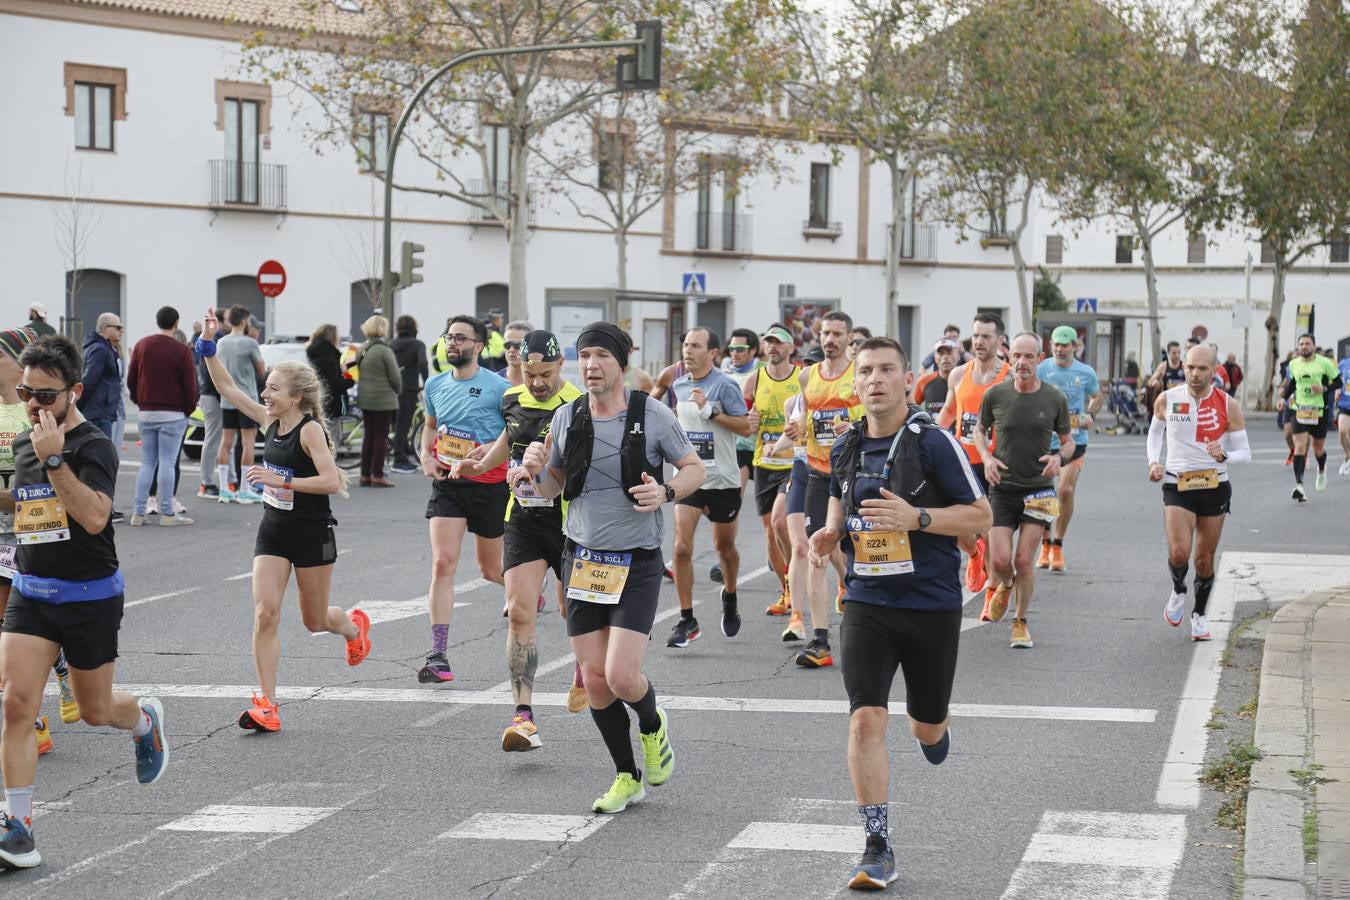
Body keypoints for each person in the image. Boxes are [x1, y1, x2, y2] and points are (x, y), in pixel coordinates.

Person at [807, 337, 991, 890]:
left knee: (925, 726)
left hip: (931, 606)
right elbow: (839, 500)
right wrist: (829, 532)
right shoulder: (844, 445)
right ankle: (877, 844)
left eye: (887, 369)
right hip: (867, 602)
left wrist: (918, 519)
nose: (876, 380)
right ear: (856, 383)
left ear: (907, 378)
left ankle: (935, 731)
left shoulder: (933, 443)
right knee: (866, 719)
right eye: (866, 371)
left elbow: (980, 516)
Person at [512, 321, 704, 813]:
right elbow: (552, 487)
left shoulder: (652, 414)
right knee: (594, 679)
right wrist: (530, 473)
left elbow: (694, 469)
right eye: (585, 356)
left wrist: (664, 492)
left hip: (637, 561)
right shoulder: (567, 416)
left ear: (621, 362)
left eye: (601, 355)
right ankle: (626, 776)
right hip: (582, 559)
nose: (591, 365)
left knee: (621, 676)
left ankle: (652, 722)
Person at [0, 335, 168, 871]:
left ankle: (143, 721)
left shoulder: (93, 444)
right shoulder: (25, 439)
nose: (33, 404)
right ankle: (20, 826)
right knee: (16, 705)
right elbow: (25, 503)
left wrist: (54, 458)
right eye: (26, 391)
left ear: (74, 391)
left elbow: (95, 516)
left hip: (90, 597)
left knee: (96, 712)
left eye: (45, 395)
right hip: (32, 593)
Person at [197, 310, 370, 732]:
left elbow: (331, 481)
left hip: (312, 533)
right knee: (266, 612)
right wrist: (207, 344)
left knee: (314, 621)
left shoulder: (310, 432)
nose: (265, 393)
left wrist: (282, 479)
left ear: (296, 397)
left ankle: (353, 628)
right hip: (274, 529)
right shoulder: (269, 419)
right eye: (267, 386)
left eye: (273, 388)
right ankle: (267, 703)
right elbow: (226, 387)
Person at [455, 330, 585, 748]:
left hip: (570, 522)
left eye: (545, 374)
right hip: (523, 520)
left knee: (572, 611)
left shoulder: (578, 406)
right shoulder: (511, 398)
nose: (537, 382)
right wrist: (480, 466)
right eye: (530, 374)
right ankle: (523, 715)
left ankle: (583, 669)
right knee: (519, 612)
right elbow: (508, 442)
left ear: (560, 366)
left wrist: (547, 470)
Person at [0, 328, 80, 760]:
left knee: (29, 623)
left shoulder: (39, 414)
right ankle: (32, 721)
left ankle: (64, 669)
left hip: (29, 530)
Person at [417, 315, 508, 683]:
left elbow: (512, 435)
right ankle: (439, 653)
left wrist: (488, 450)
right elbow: (430, 427)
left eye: (460, 338)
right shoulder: (435, 384)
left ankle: (526, 585)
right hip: (448, 483)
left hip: (489, 485)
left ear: (479, 347)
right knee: (443, 564)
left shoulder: (499, 388)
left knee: (490, 570)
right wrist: (425, 455)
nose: (451, 343)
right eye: (448, 337)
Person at [975, 332, 1074, 650]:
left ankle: (1020, 622)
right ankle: (1004, 585)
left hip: (1039, 491)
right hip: (1003, 488)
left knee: (1024, 561)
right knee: (1002, 560)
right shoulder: (995, 395)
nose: (1021, 362)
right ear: (1009, 357)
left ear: (1039, 358)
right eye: (1016, 356)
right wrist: (987, 458)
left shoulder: (1054, 398)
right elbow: (978, 431)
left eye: (1028, 356)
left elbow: (1069, 441)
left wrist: (1059, 457)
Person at [1151, 344, 1250, 640]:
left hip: (1214, 485)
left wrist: (1225, 456)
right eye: (1190, 367)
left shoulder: (1228, 404)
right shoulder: (1168, 399)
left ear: (1214, 370)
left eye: (1202, 368)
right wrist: (1154, 461)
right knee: (1179, 552)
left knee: (1203, 560)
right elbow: (1155, 432)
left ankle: (1200, 615)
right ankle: (1179, 589)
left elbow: (1245, 452)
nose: (1194, 374)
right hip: (1177, 483)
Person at [667, 327, 752, 647]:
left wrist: (711, 412)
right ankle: (687, 619)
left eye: (696, 346)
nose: (688, 351)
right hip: (692, 477)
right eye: (685, 345)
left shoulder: (725, 385)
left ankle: (729, 596)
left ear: (713, 353)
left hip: (724, 480)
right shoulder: (679, 384)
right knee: (680, 548)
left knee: (724, 549)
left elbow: (744, 426)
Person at [793, 310, 862, 667]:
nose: (829, 340)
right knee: (815, 552)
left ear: (850, 338)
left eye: (837, 334)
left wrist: (851, 429)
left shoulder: (859, 374)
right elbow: (807, 417)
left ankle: (866, 625)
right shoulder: (807, 377)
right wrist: (799, 431)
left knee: (859, 554)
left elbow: (875, 419)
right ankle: (819, 641)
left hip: (856, 474)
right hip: (819, 475)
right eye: (825, 334)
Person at [937, 312, 1009, 603]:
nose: (979, 341)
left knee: (990, 527)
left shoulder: (1009, 377)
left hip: (995, 462)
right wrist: (925, 435)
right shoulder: (958, 374)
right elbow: (950, 412)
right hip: (961, 460)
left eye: (986, 336)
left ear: (999, 340)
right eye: (976, 335)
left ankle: (992, 587)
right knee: (959, 527)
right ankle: (974, 555)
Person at [1034, 325, 1103, 572]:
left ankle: (1058, 545)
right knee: (1043, 495)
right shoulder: (1042, 369)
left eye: (1065, 345)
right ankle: (1044, 542)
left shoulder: (1085, 372)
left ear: (1075, 346)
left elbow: (1097, 395)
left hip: (1074, 440)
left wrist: (1090, 415)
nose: (1060, 349)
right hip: (1043, 441)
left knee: (1065, 490)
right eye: (1056, 344)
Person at [742, 324, 799, 617]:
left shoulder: (802, 378)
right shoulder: (754, 380)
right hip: (764, 463)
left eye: (779, 343)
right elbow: (743, 423)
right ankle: (786, 589)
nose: (773, 347)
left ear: (791, 348)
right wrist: (747, 424)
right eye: (769, 343)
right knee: (770, 535)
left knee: (779, 523)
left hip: (793, 464)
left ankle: (794, 579)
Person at [126, 306, 198, 527]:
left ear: (157, 322)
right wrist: (188, 408)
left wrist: (140, 401)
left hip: (147, 413)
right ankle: (167, 513)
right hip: (174, 414)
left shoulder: (141, 345)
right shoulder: (182, 350)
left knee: (147, 462)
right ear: (176, 324)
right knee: (167, 462)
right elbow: (190, 386)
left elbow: (131, 379)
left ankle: (138, 513)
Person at [1278, 334, 1342, 501]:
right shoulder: (1293, 364)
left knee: (1318, 450)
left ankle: (1321, 470)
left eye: (1307, 343)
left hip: (1319, 410)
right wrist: (1283, 399)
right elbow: (1293, 384)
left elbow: (1338, 382)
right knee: (1300, 446)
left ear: (1314, 346)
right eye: (1301, 344)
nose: (1304, 346)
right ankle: (1299, 485)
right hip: (1299, 409)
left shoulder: (1324, 363)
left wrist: (1324, 388)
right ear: (1298, 348)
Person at [215, 306, 265, 504]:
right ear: (244, 321)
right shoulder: (250, 343)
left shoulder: (221, 342)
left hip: (227, 398)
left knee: (226, 443)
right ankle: (244, 488)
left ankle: (224, 489)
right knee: (247, 444)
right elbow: (261, 370)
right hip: (247, 399)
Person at [349, 315, 402, 488]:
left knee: (369, 436)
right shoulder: (384, 350)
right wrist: (398, 390)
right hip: (383, 399)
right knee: (381, 435)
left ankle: (365, 474)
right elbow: (395, 377)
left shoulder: (362, 348)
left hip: (365, 398)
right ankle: (377, 474)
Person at [195, 309, 229, 498]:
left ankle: (212, 481)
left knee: (217, 439)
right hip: (212, 395)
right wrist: (222, 394)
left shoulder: (214, 339)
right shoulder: (216, 340)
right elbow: (211, 372)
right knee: (214, 438)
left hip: (210, 394)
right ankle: (206, 482)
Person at [75, 312, 123, 443]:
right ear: (105, 328)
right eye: (118, 328)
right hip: (98, 413)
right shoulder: (100, 349)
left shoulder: (102, 347)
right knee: (100, 455)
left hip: (100, 411)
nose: (121, 331)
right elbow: (89, 380)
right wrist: (78, 405)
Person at [306, 324, 348, 451]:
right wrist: (350, 379)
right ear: (332, 337)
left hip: (318, 401)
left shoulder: (313, 354)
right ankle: (330, 469)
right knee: (332, 440)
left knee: (321, 440)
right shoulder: (329, 358)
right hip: (331, 403)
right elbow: (335, 385)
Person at [913, 338, 959, 417]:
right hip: (933, 428)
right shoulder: (924, 382)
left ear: (958, 356)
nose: (945, 357)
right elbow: (911, 408)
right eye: (941, 353)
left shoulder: (967, 380)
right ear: (935, 358)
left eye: (949, 352)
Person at [498, 320, 532, 388]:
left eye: (517, 345)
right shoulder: (494, 380)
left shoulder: (539, 382)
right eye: (507, 345)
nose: (511, 350)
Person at [1337, 351, 1350, 477]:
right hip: (1345, 404)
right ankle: (1348, 456)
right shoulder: (1344, 363)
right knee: (1342, 432)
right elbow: (1336, 380)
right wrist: (1336, 390)